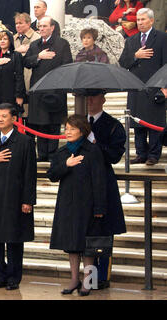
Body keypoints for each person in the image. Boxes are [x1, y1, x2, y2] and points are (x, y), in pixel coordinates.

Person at [47, 115, 107, 297]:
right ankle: (74, 279)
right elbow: (51, 175)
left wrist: (99, 208)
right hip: (67, 205)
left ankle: (89, 281)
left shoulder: (92, 151)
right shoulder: (62, 152)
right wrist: (66, 164)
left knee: (88, 245)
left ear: (82, 131)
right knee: (71, 244)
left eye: (72, 129)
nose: (68, 132)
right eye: (66, 129)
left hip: (87, 205)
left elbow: (99, 180)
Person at [0, 103, 37, 290]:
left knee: (14, 239)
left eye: (4, 116)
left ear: (14, 119)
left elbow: (30, 173)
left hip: (15, 196)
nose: (0, 119)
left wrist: (28, 200)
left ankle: (14, 278)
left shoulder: (25, 141)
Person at [86, 90, 127, 290]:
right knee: (85, 231)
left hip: (103, 182)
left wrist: (96, 143)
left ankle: (101, 277)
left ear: (103, 99)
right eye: (87, 97)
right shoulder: (78, 122)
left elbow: (114, 155)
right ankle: (88, 277)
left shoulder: (113, 126)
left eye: (94, 97)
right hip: (83, 183)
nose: (90, 100)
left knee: (104, 233)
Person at [119, 8, 166, 165]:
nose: (140, 23)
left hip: (156, 87)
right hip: (136, 87)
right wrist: (135, 56)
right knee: (137, 123)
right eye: (138, 20)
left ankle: (153, 155)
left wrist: (165, 87)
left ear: (151, 20)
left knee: (154, 123)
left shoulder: (161, 38)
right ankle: (141, 153)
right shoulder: (131, 41)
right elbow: (123, 62)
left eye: (143, 19)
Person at [23, 16, 73, 162]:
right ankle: (42, 154)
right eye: (40, 26)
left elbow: (67, 64)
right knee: (39, 123)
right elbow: (26, 61)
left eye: (45, 26)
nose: (42, 29)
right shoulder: (35, 45)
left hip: (55, 89)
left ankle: (52, 154)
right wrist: (38, 56)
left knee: (53, 123)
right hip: (38, 90)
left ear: (52, 27)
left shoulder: (62, 44)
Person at [14, 12, 40, 124]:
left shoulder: (37, 38)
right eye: (16, 23)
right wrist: (17, 51)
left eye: (20, 23)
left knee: (29, 115)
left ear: (28, 23)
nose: (18, 26)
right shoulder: (13, 38)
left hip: (30, 77)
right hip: (16, 80)